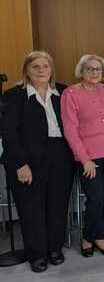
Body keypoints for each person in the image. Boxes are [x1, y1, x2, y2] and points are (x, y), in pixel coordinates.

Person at [0, 51, 75, 272]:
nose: (41, 70)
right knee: (31, 209)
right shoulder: (14, 96)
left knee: (57, 205)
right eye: (35, 67)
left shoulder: (63, 91)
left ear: (51, 69)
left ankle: (54, 248)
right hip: (27, 159)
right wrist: (20, 164)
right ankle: (36, 253)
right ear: (26, 71)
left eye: (45, 66)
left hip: (61, 156)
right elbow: (8, 134)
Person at [61, 54, 104, 258]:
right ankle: (87, 238)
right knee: (95, 199)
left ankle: (100, 237)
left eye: (98, 69)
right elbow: (70, 130)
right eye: (90, 69)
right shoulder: (70, 93)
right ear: (81, 71)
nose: (94, 73)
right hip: (88, 157)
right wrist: (85, 160)